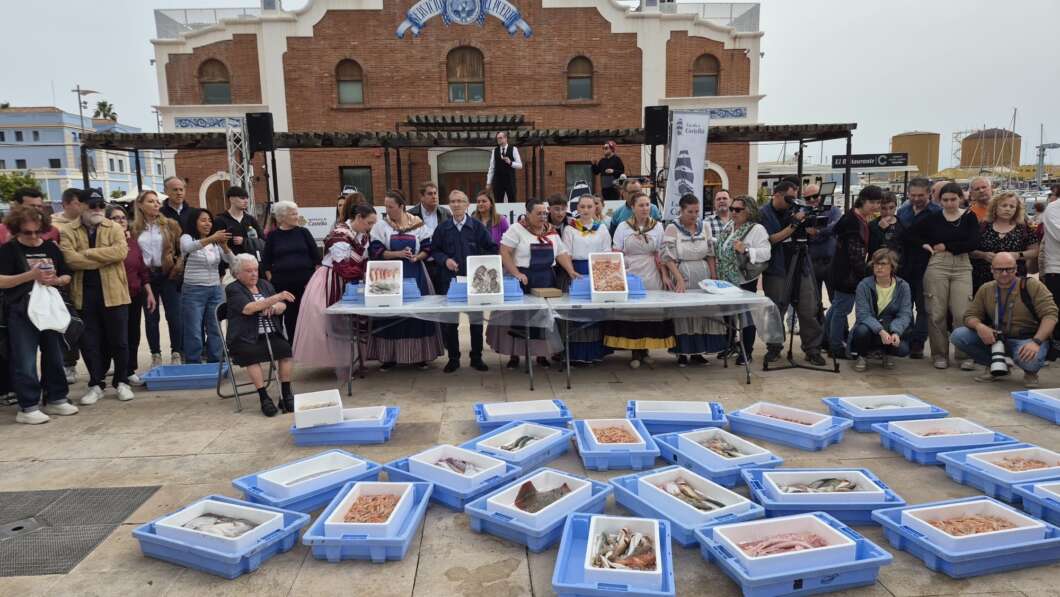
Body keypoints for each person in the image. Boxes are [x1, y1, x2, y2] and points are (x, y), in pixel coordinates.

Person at [0, 206, 77, 424]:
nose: (34, 237)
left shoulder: (51, 248)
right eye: (27, 232)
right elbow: (2, 280)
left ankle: (56, 397)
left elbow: (66, 274)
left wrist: (58, 280)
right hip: (21, 310)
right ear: (16, 230)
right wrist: (30, 276)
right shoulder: (8, 250)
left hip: (49, 307)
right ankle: (28, 405)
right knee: (25, 359)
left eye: (37, 232)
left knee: (54, 354)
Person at [489, 196, 580, 369]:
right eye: (538, 214)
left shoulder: (551, 231)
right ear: (528, 214)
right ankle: (515, 355)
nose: (543, 217)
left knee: (544, 318)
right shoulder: (516, 229)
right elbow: (505, 252)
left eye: (545, 213)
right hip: (523, 278)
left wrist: (571, 270)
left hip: (546, 278)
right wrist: (516, 273)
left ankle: (541, 355)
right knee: (519, 318)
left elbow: (561, 253)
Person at [60, 193, 134, 405]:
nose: (97, 209)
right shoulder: (68, 230)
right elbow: (70, 260)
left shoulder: (114, 227)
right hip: (84, 294)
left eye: (101, 205)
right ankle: (96, 383)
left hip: (115, 293)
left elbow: (120, 252)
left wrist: (87, 254)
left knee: (119, 341)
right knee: (89, 342)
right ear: (81, 206)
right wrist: (103, 257)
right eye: (92, 205)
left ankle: (121, 381)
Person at [293, 203, 377, 377]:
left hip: (352, 282)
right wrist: (366, 274)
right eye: (369, 223)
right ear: (359, 217)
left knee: (357, 321)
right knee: (334, 321)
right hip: (332, 279)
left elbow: (362, 261)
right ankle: (340, 361)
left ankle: (356, 360)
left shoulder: (361, 235)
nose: (370, 227)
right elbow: (342, 267)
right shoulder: (340, 234)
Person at [951, 252, 1056, 387]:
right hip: (996, 339)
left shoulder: (1032, 286)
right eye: (999, 270)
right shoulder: (986, 289)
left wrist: (1036, 342)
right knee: (959, 335)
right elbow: (970, 315)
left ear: (1016, 269)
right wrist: (980, 327)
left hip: (1026, 338)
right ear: (992, 270)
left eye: (1009, 269)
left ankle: (1030, 373)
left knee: (1032, 360)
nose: (1005, 273)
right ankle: (995, 365)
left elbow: (1050, 314)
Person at [367, 190, 444, 370]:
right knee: (390, 314)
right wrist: (397, 254)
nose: (387, 210)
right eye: (385, 206)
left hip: (414, 273)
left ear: (401, 206)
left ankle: (419, 356)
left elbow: (427, 248)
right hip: (390, 275)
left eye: (390, 206)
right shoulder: (381, 226)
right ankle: (389, 357)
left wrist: (418, 257)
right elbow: (376, 250)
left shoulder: (417, 224)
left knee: (416, 313)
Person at [907, 182, 980, 369]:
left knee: (962, 313)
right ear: (939, 201)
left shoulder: (970, 217)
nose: (949, 203)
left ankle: (964, 355)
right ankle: (939, 354)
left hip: (962, 265)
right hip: (937, 265)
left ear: (961, 199)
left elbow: (972, 242)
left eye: (953, 199)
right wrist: (925, 245)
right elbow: (909, 235)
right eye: (945, 200)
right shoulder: (933, 218)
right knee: (936, 312)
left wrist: (947, 245)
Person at [604, 192, 675, 368]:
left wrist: (665, 275)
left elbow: (660, 253)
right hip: (630, 271)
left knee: (649, 312)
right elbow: (617, 252)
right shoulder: (623, 226)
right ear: (633, 207)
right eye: (641, 205)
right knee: (631, 312)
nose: (645, 208)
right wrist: (618, 276)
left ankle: (645, 350)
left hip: (651, 271)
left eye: (647, 205)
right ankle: (634, 351)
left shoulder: (657, 226)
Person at [759, 180, 825, 365]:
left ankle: (812, 349)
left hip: (801, 266)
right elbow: (770, 240)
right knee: (775, 311)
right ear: (777, 195)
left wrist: (810, 228)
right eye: (789, 198)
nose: (793, 202)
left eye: (795, 197)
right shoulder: (764, 213)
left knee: (808, 309)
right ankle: (774, 348)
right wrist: (794, 224)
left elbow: (808, 232)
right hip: (776, 270)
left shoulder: (795, 210)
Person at [432, 189, 498, 372]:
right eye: (452, 201)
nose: (456, 204)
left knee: (476, 322)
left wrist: (480, 264)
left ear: (467, 205)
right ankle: (453, 358)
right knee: (450, 323)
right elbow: (434, 251)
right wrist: (445, 260)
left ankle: (476, 357)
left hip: (474, 284)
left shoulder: (477, 227)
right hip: (450, 282)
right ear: (449, 205)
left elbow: (492, 248)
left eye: (460, 201)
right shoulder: (442, 228)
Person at [226, 254, 298, 416]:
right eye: (248, 271)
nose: (254, 274)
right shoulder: (233, 289)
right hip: (245, 337)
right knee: (252, 355)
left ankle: (285, 393)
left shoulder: (264, 284)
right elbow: (248, 308)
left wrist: (275, 307)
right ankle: (263, 397)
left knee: (285, 350)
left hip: (270, 332)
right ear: (237, 273)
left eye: (256, 270)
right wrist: (275, 298)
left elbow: (282, 306)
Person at [661, 194, 726, 366]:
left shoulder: (704, 227)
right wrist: (679, 279)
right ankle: (682, 353)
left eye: (697, 211)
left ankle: (699, 352)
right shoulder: (672, 228)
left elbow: (711, 254)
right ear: (681, 210)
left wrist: (713, 276)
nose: (694, 215)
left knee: (703, 313)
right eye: (690, 211)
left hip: (703, 274)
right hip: (683, 273)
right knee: (684, 313)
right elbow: (667, 257)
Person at [825, 186, 882, 358]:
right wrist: (864, 275)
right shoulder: (853, 220)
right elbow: (855, 255)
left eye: (878, 202)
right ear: (862, 200)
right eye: (872, 202)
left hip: (841, 271)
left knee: (836, 308)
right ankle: (835, 347)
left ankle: (827, 341)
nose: (875, 206)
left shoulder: (854, 216)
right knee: (842, 310)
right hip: (847, 275)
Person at [714, 196, 771, 365]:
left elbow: (766, 253)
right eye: (732, 209)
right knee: (728, 316)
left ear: (749, 211)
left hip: (744, 279)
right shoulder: (729, 226)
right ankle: (731, 344)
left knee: (746, 317)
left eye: (738, 210)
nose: (733, 212)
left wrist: (746, 249)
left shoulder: (756, 229)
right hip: (725, 279)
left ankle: (747, 351)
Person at [131, 190, 183, 366]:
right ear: (140, 205)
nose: (155, 204)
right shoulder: (134, 229)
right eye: (151, 201)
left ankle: (177, 352)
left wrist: (177, 266)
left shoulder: (170, 225)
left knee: (174, 315)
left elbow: (180, 249)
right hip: (146, 276)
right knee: (151, 317)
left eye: (157, 202)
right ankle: (155, 354)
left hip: (167, 273)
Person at [105, 204, 156, 387]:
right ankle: (117, 373)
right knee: (119, 337)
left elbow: (142, 269)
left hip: (135, 293)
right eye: (115, 218)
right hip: (115, 295)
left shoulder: (133, 242)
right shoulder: (105, 242)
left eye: (123, 218)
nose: (120, 221)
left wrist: (149, 292)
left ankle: (129, 369)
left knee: (133, 333)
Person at [561, 193, 612, 364]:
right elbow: (565, 253)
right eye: (582, 206)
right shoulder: (570, 228)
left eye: (589, 206)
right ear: (577, 208)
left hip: (597, 270)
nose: (586, 210)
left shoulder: (602, 228)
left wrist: (603, 273)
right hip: (578, 272)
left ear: (595, 208)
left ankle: (595, 352)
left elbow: (607, 251)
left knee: (595, 312)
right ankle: (576, 354)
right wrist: (571, 272)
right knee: (578, 311)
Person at [179, 208, 234, 364]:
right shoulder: (186, 237)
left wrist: (224, 246)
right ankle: (193, 363)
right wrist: (212, 238)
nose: (207, 224)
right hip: (193, 290)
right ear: (194, 222)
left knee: (215, 328)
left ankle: (215, 363)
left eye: (210, 220)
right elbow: (189, 248)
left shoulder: (215, 243)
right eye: (203, 220)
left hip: (215, 289)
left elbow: (232, 261)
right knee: (194, 330)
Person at [262, 201, 320, 339]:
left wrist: (313, 282)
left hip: (305, 284)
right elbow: (266, 262)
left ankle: (302, 345)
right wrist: (271, 279)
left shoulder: (303, 232)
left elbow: (316, 258)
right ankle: (285, 345)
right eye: (293, 214)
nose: (296, 216)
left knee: (303, 315)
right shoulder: (273, 236)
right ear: (282, 217)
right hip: (282, 285)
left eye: (296, 213)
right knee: (285, 315)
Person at [896, 177, 940, 359]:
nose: (916, 199)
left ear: (929, 193)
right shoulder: (903, 211)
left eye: (920, 195)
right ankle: (906, 337)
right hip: (905, 264)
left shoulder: (937, 212)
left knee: (923, 307)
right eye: (912, 195)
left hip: (927, 265)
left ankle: (918, 342)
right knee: (905, 305)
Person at [850, 249, 912, 371]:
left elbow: (905, 314)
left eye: (883, 264)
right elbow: (863, 314)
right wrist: (880, 331)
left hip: (890, 325)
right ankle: (862, 356)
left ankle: (888, 354)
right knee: (862, 331)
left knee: (903, 348)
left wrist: (896, 332)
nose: (879, 267)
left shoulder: (903, 286)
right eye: (876, 264)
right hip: (870, 326)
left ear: (892, 266)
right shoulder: (864, 285)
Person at [970, 191, 1038, 293]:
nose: (1008, 209)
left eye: (1012, 206)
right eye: (1004, 205)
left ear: (1017, 210)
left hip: (1015, 279)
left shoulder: (1024, 228)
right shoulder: (982, 227)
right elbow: (969, 250)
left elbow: (1035, 251)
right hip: (983, 280)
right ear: (995, 207)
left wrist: (1018, 255)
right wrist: (983, 255)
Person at [213, 186, 263, 263]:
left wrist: (244, 241)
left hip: (250, 263)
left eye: (247, 198)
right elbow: (216, 244)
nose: (246, 201)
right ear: (231, 199)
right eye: (242, 198)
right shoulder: (220, 220)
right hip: (229, 264)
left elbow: (262, 240)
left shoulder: (251, 219)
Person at [486, 131, 522, 204]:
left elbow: (520, 165)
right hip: (498, 180)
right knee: (498, 202)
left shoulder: (513, 149)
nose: (499, 140)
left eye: (500, 138)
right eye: (498, 138)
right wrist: (488, 182)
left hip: (510, 180)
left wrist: (511, 162)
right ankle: (498, 215)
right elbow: (491, 168)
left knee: (512, 201)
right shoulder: (494, 151)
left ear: (505, 138)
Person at [869, 191, 905, 258]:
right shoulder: (872, 225)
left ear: (896, 207)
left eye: (891, 208)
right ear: (879, 208)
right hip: (877, 264)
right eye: (884, 208)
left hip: (897, 265)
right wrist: (880, 230)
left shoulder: (903, 225)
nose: (888, 212)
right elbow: (871, 249)